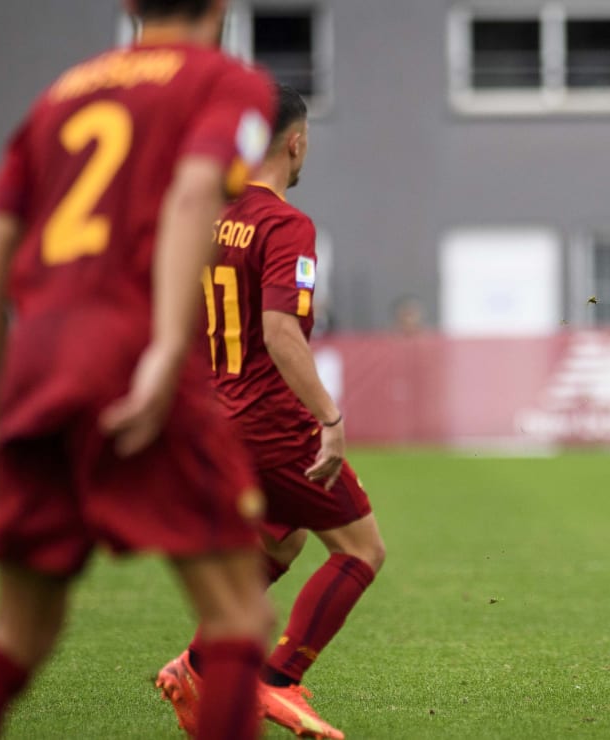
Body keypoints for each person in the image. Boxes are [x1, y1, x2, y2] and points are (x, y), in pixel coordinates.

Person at [0, 2, 280, 739]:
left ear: (127, 4)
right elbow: (193, 194)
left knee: (16, 635)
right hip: (130, 350)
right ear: (220, 5)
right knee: (239, 614)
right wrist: (160, 348)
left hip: (39, 365)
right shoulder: (228, 82)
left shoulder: (62, 95)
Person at [156, 85, 385, 740]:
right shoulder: (287, 225)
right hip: (271, 423)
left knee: (279, 540)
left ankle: (195, 665)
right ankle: (278, 679)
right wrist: (330, 420)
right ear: (295, 141)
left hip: (213, 417)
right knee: (362, 550)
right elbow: (282, 331)